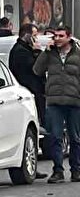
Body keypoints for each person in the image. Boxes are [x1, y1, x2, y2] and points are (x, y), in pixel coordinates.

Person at [34, 26, 80, 183]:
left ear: (69, 37)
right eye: (55, 36)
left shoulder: (77, 53)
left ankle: (76, 171)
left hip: (75, 102)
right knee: (55, 137)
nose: (58, 39)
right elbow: (37, 70)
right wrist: (45, 52)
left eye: (61, 36)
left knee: (75, 138)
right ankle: (58, 171)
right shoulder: (50, 54)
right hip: (54, 102)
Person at [10, 23, 50, 179]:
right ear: (26, 35)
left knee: (36, 129)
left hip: (36, 92)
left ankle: (31, 166)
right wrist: (38, 51)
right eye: (34, 35)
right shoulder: (20, 52)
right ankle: (28, 165)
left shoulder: (25, 50)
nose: (36, 38)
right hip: (29, 93)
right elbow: (35, 68)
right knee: (32, 129)